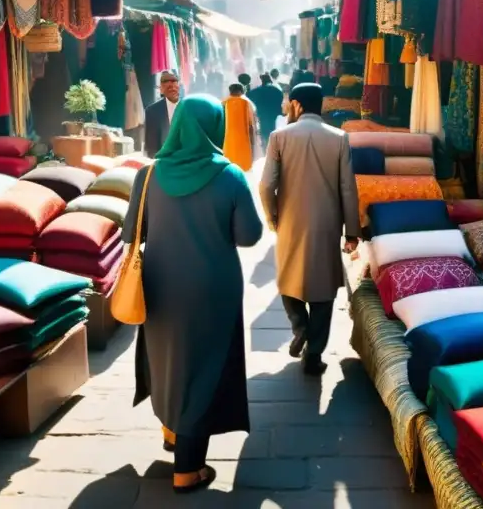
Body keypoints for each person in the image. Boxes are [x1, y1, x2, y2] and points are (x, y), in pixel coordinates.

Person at [123, 95, 263, 494]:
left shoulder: (147, 175)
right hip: (213, 289)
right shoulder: (230, 176)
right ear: (214, 127)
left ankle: (172, 432)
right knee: (204, 367)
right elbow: (249, 236)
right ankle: (187, 469)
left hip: (160, 286)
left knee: (169, 359)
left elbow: (130, 231)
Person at [259, 83, 361, 375]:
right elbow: (348, 189)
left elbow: (267, 185)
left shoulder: (279, 136)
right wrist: (351, 231)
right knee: (323, 291)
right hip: (328, 224)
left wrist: (273, 217)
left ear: (298, 105)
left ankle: (299, 326)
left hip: (290, 221)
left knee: (287, 278)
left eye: (288, 103)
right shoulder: (339, 138)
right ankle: (313, 355)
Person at [143, 70, 181, 157]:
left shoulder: (188, 107)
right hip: (163, 160)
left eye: (174, 85)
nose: (172, 89)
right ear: (162, 90)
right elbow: (151, 147)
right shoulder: (152, 111)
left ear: (179, 87)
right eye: (168, 87)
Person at [222, 83, 257, 171]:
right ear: (242, 91)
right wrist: (253, 141)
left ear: (230, 91)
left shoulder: (223, 102)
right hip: (244, 142)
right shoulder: (247, 102)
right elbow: (252, 124)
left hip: (227, 142)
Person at [247, 73, 284, 150]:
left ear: (261, 80)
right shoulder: (276, 90)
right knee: (274, 130)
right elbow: (281, 99)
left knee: (264, 133)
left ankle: (266, 151)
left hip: (262, 114)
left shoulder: (257, 90)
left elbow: (248, 96)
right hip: (274, 115)